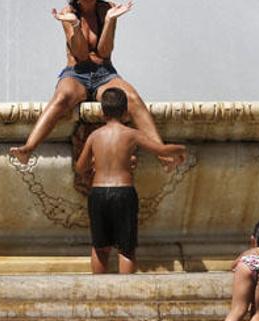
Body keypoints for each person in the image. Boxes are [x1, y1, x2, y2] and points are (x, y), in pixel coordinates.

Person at [11, 0, 170, 167]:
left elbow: (104, 52)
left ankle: (163, 154)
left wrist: (111, 20)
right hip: (76, 73)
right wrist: (76, 25)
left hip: (105, 74)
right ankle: (28, 148)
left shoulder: (107, 9)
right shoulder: (68, 13)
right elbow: (81, 54)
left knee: (131, 97)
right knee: (62, 98)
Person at [74, 87, 186, 274]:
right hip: (123, 192)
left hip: (99, 192)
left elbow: (80, 167)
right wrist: (181, 149)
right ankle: (125, 297)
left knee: (100, 248)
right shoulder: (132, 134)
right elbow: (161, 150)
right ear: (126, 113)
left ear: (102, 112)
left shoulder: (95, 136)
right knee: (126, 249)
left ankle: (98, 294)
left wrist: (96, 163)